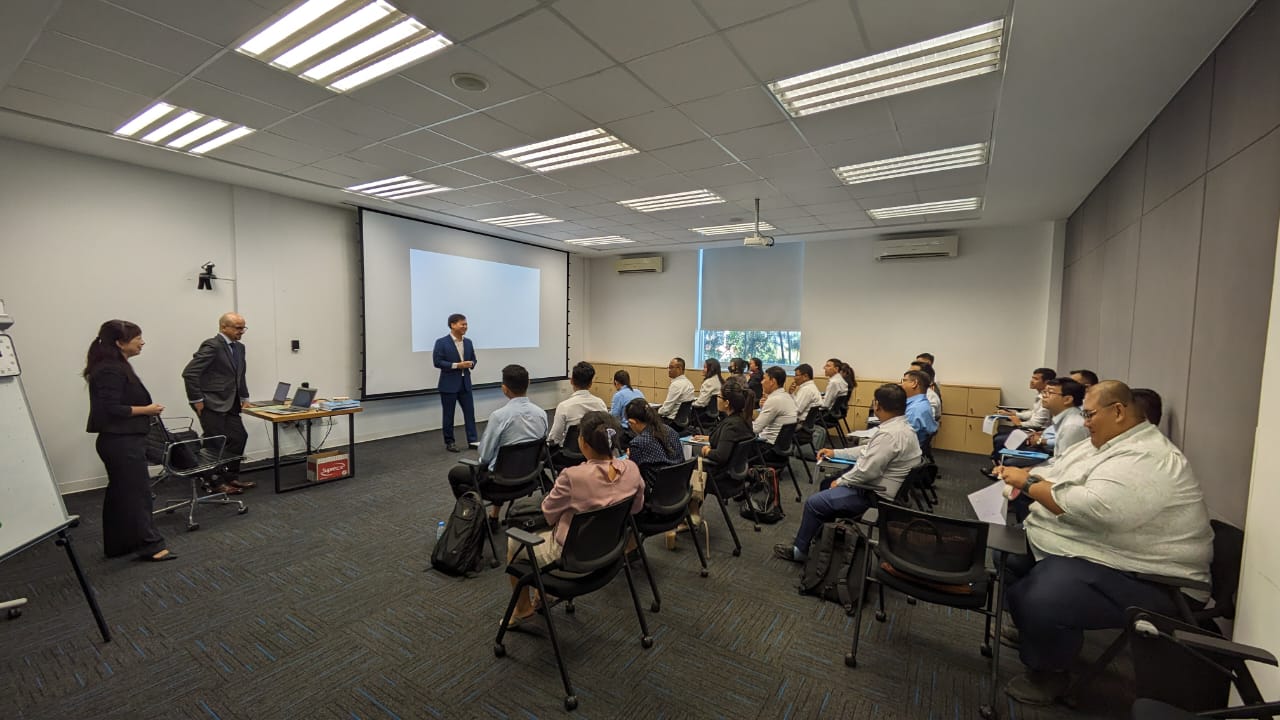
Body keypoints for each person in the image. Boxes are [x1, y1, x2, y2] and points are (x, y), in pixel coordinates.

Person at [994, 381, 1213, 705]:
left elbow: (1095, 508)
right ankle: (1034, 633)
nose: (1084, 422)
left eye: (1090, 414)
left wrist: (1027, 483)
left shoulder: (1149, 458)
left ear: (1119, 412)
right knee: (1011, 556)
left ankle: (1048, 673)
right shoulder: (1105, 443)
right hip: (1110, 552)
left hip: (1157, 578)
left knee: (1042, 593)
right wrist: (1032, 476)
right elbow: (1055, 470)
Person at [503, 411, 644, 628]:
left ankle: (522, 609)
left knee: (514, 542)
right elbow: (636, 508)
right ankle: (543, 597)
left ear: (584, 443)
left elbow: (549, 514)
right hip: (611, 552)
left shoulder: (572, 476)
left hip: (571, 558)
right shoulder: (633, 469)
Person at [773, 384, 921, 562]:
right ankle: (824, 536)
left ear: (878, 405)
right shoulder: (903, 428)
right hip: (883, 491)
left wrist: (843, 481)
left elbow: (867, 471)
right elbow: (867, 451)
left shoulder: (889, 435)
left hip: (874, 496)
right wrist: (836, 453)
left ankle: (800, 551)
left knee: (814, 502)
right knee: (826, 484)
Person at [86, 320, 174, 562]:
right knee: (137, 495)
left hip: (122, 440)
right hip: (121, 442)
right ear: (120, 343)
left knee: (120, 495)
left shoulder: (115, 366)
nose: (142, 342)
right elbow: (112, 408)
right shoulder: (110, 369)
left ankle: (118, 546)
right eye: (138, 338)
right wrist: (146, 410)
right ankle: (151, 546)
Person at [447, 365, 548, 522]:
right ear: (529, 383)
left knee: (456, 474)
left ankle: (471, 521)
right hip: (530, 479)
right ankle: (493, 517)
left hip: (500, 484)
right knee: (502, 462)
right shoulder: (541, 414)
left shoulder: (499, 417)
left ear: (504, 389)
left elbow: (485, 456)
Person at [182, 312, 251, 495]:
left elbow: (239, 375)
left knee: (239, 437)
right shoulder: (212, 345)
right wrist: (196, 400)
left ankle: (230, 477)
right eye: (238, 327)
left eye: (243, 327)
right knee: (215, 444)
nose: (242, 331)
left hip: (232, 404)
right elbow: (190, 373)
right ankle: (214, 482)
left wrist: (244, 397)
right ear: (223, 327)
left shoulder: (239, 348)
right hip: (211, 404)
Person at [433, 313, 477, 453]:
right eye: (462, 324)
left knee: (470, 414)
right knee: (448, 415)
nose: (465, 326)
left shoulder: (468, 342)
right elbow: (437, 362)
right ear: (452, 325)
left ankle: (473, 441)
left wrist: (471, 363)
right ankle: (450, 442)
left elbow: (474, 359)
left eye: (466, 324)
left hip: (465, 384)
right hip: (448, 385)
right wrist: (457, 365)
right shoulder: (441, 342)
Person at [547, 361, 607, 448]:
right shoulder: (600, 403)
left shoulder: (564, 406)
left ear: (571, 381)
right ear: (590, 384)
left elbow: (554, 438)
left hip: (569, 456)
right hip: (594, 452)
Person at [623, 398, 683, 471]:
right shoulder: (670, 431)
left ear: (632, 422)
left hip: (654, 482)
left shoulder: (637, 444)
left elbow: (633, 474)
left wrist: (631, 457)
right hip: (680, 480)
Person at [754, 365, 797, 445]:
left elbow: (756, 429)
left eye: (764, 378)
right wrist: (763, 408)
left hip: (767, 447)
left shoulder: (774, 400)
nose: (761, 382)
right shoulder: (787, 396)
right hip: (781, 446)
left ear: (772, 381)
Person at [900, 369, 939, 447]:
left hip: (907, 452)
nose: (901, 384)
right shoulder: (922, 403)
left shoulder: (914, 410)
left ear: (914, 383)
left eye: (904, 381)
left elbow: (902, 440)